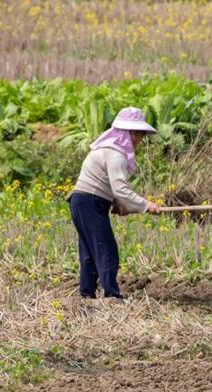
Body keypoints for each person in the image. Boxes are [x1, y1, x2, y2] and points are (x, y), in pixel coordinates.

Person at [66, 107, 162, 299]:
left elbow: (110, 188)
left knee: (90, 252)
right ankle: (112, 296)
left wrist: (118, 205)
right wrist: (145, 205)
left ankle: (87, 295)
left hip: (83, 202)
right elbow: (120, 188)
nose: (139, 140)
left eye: (141, 135)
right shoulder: (116, 154)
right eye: (137, 134)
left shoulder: (107, 151)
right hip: (89, 202)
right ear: (126, 133)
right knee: (106, 250)